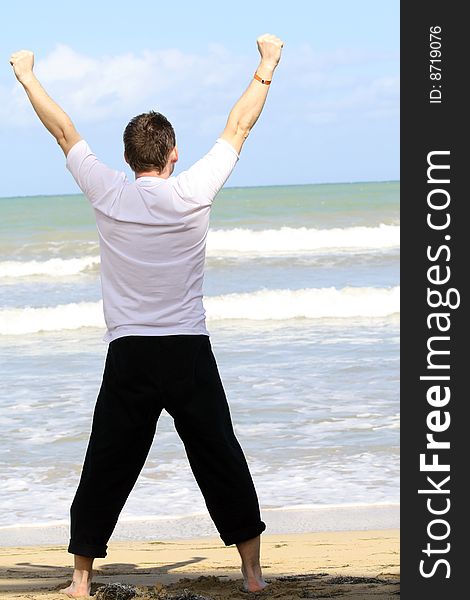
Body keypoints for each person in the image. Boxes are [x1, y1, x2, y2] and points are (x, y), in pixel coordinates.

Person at [10, 33, 284, 598]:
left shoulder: (107, 191)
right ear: (173, 153)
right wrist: (267, 63)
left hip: (130, 353)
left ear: (129, 157)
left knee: (106, 462)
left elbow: (63, 130)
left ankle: (81, 581)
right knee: (219, 456)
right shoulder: (193, 192)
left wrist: (28, 77)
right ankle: (253, 574)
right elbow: (238, 128)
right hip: (187, 350)